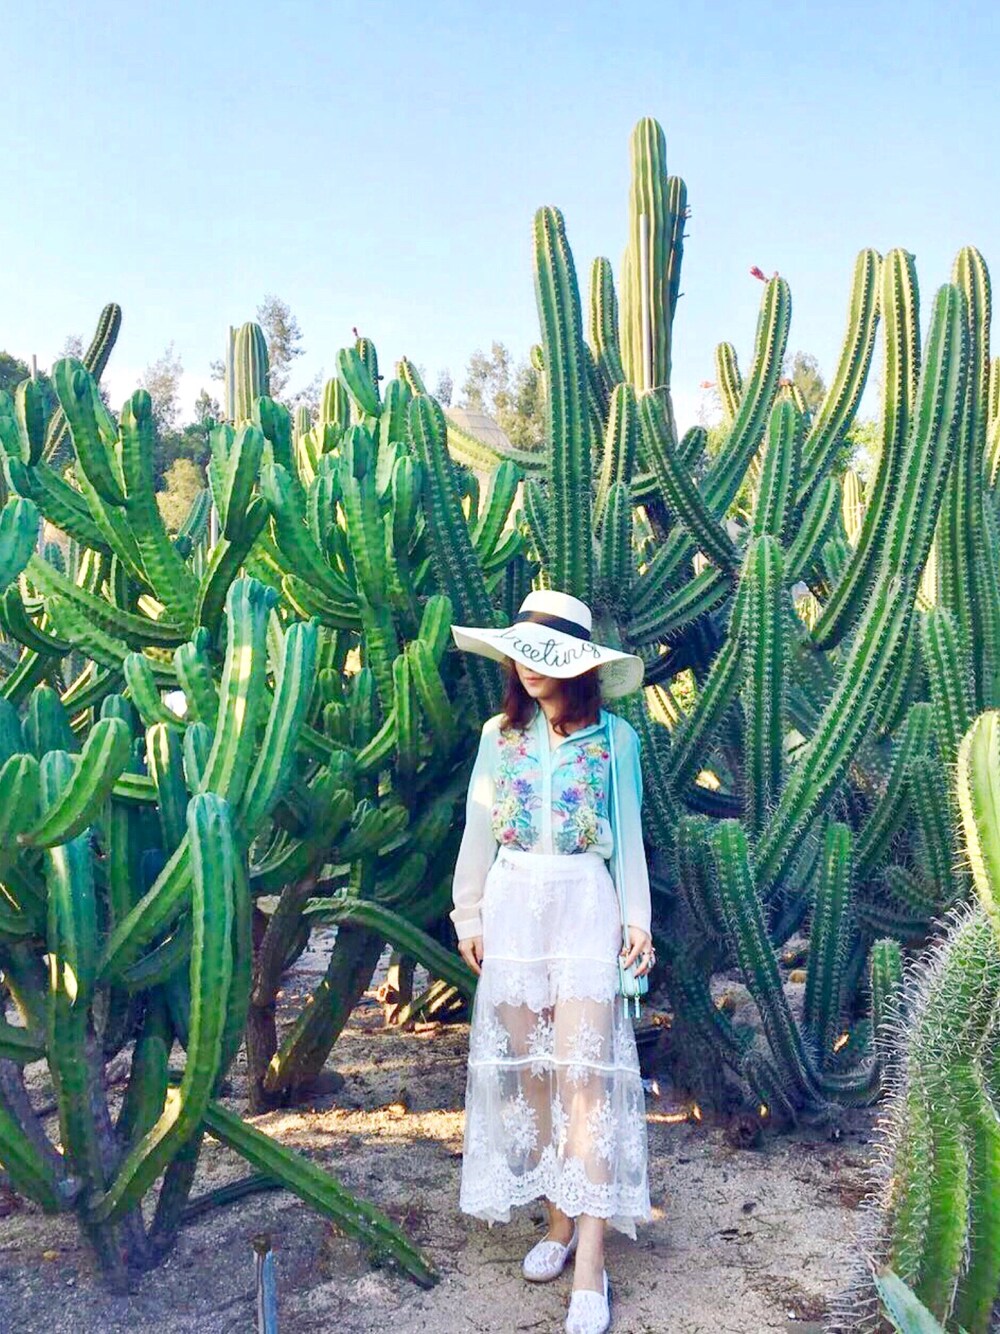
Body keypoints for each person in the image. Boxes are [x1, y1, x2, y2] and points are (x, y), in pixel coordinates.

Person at [449, 589, 655, 1334]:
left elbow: (629, 836)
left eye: (547, 657)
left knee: (585, 1083)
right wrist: (468, 913)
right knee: (534, 1080)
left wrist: (638, 922)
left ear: (579, 665)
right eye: (523, 655)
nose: (530, 668)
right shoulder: (498, 735)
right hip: (512, 906)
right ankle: (560, 1223)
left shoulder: (615, 740)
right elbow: (478, 828)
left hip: (583, 905)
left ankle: (591, 1265)